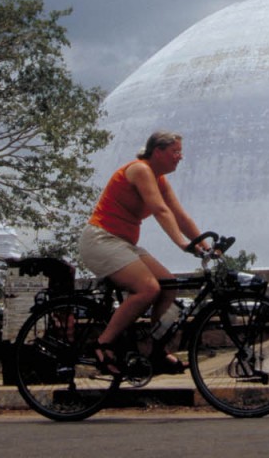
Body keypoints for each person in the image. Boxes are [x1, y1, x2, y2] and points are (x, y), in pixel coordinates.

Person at [78, 130, 206, 376]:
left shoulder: (159, 180)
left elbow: (180, 216)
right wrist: (182, 245)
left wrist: (205, 246)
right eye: (175, 152)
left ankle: (155, 351)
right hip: (101, 239)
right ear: (157, 151)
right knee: (148, 288)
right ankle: (102, 344)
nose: (180, 157)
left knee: (168, 284)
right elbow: (160, 210)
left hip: (123, 243)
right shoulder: (140, 170)